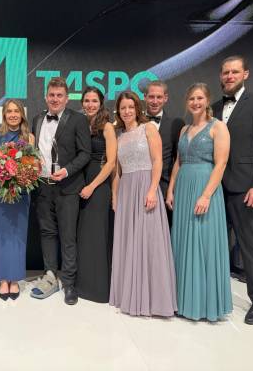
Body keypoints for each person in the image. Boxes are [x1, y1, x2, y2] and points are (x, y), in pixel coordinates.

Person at [212, 56, 253, 325]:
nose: (229, 76)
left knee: (250, 246)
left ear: (245, 74)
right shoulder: (213, 108)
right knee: (214, 245)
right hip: (216, 189)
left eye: (234, 71)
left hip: (245, 188)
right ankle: (212, 298)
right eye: (225, 72)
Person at [166, 83, 232, 321]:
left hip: (205, 187)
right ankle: (182, 301)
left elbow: (221, 163)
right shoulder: (184, 130)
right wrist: (171, 189)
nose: (195, 102)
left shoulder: (218, 128)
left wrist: (206, 195)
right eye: (191, 98)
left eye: (200, 98)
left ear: (207, 101)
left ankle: (204, 305)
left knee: (203, 242)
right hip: (183, 188)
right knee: (183, 241)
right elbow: (178, 162)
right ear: (187, 102)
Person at [109, 91, 177, 317]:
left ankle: (153, 300)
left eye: (130, 107)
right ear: (118, 111)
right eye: (122, 108)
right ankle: (129, 295)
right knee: (130, 242)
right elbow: (117, 172)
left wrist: (151, 189)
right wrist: (115, 196)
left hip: (146, 186)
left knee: (149, 242)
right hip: (127, 190)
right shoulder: (119, 135)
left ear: (137, 108)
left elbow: (158, 161)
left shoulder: (148, 129)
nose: (126, 111)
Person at [30, 77, 91, 305]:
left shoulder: (78, 120)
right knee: (47, 233)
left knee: (67, 237)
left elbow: (85, 153)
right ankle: (49, 276)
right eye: (51, 95)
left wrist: (66, 171)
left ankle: (69, 283)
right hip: (43, 187)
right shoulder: (37, 118)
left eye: (59, 95)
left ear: (66, 98)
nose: (55, 99)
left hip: (68, 187)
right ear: (46, 96)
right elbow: (36, 149)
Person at [0, 99, 35, 300]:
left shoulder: (29, 137)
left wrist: (18, 176)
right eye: (9, 111)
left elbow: (31, 163)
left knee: (17, 235)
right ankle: (1, 279)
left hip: (21, 192)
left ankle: (14, 279)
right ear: (4, 114)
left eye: (17, 111)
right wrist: (5, 173)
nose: (13, 114)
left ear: (22, 114)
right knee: (0, 234)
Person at [75, 87, 116, 303]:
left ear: (101, 103)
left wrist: (92, 186)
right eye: (87, 101)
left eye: (94, 101)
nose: (90, 104)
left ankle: (98, 289)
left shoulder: (107, 126)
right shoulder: (80, 123)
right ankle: (82, 285)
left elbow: (111, 162)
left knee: (96, 235)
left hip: (97, 184)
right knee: (83, 235)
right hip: (79, 182)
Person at [144, 81, 185, 226]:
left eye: (159, 97)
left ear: (166, 98)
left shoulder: (177, 124)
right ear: (145, 97)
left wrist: (171, 190)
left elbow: (178, 159)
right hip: (139, 184)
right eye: (151, 97)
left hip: (165, 186)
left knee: (165, 231)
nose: (155, 101)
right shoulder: (135, 122)